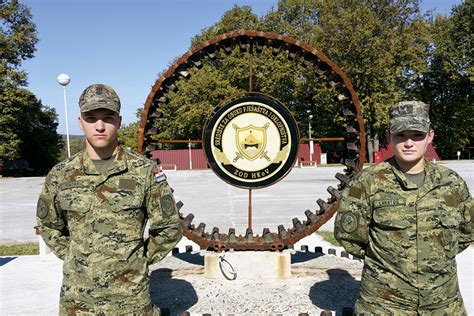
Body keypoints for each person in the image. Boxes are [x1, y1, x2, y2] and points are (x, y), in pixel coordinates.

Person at [36, 84, 182, 315]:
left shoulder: (144, 171)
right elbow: (49, 225)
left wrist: (136, 260)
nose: (100, 126)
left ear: (119, 121)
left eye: (108, 117)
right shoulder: (61, 175)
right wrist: (78, 257)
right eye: (91, 118)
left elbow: (169, 227)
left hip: (130, 300)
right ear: (80, 122)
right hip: (78, 300)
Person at [334, 101, 473, 315]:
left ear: (430, 136)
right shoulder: (367, 182)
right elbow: (350, 238)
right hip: (384, 305)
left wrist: (435, 258)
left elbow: (466, 233)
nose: (409, 143)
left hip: (443, 304)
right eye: (401, 135)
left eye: (417, 135)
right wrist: (391, 266)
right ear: (389, 137)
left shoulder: (451, 183)